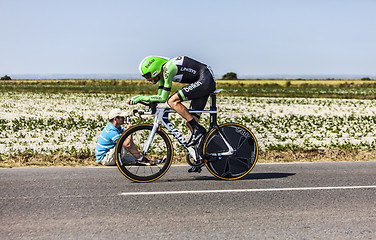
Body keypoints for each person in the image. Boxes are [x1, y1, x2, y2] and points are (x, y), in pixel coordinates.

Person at [127, 55, 216, 172]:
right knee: (191, 122)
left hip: (205, 79)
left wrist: (141, 97)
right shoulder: (163, 74)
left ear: (155, 69)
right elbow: (158, 97)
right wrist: (149, 101)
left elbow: (164, 98)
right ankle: (199, 157)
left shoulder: (169, 68)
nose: (147, 80)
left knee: (172, 101)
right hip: (201, 81)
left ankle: (197, 130)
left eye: (147, 76)